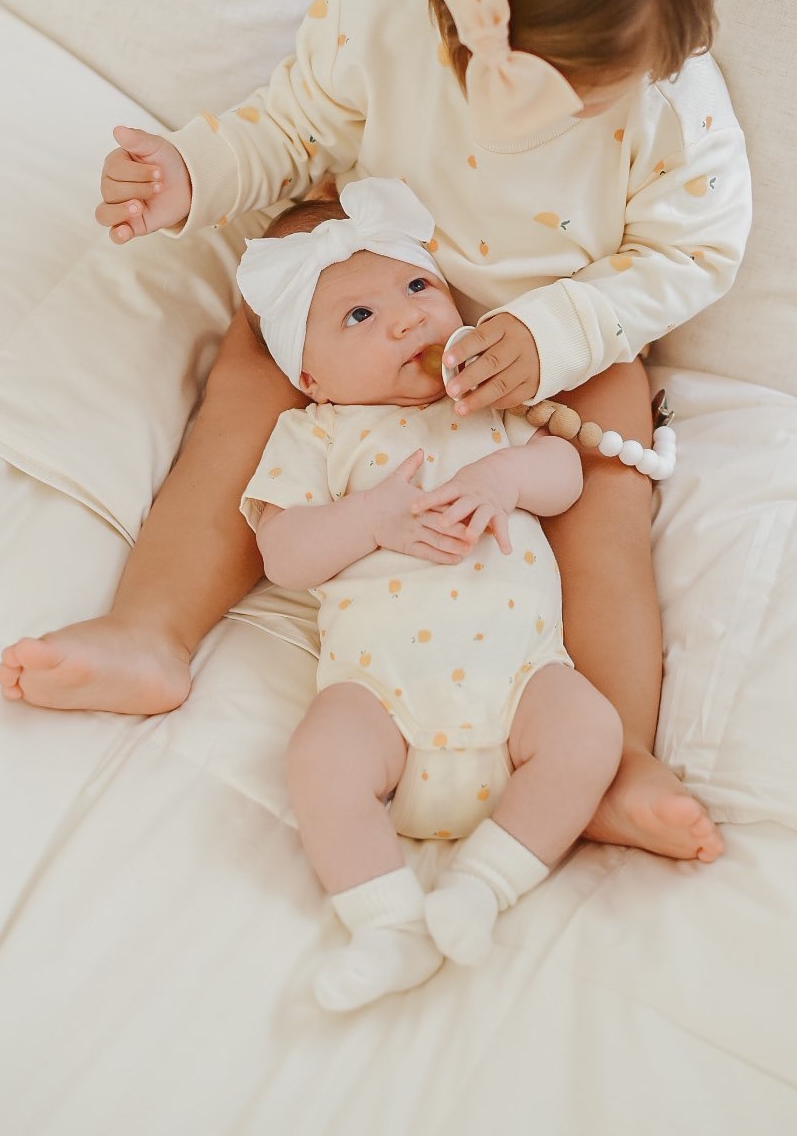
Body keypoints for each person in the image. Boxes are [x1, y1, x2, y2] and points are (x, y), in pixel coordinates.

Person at [0, 0, 751, 865]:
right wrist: (194, 173)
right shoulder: (385, 25)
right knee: (253, 375)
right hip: (374, 281)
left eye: (594, 94)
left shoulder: (673, 109)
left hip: (562, 333)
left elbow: (692, 254)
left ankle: (611, 754)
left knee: (609, 483)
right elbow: (287, 132)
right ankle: (151, 629)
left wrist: (558, 331)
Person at [236, 178, 622, 1010]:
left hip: (522, 684)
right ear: (310, 375)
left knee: (592, 730)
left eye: (418, 285)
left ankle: (483, 885)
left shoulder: (487, 403)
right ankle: (388, 928)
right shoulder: (315, 433)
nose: (407, 319)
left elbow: (564, 473)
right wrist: (370, 518)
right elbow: (284, 554)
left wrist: (507, 476)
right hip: (383, 704)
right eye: (359, 315)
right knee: (319, 759)